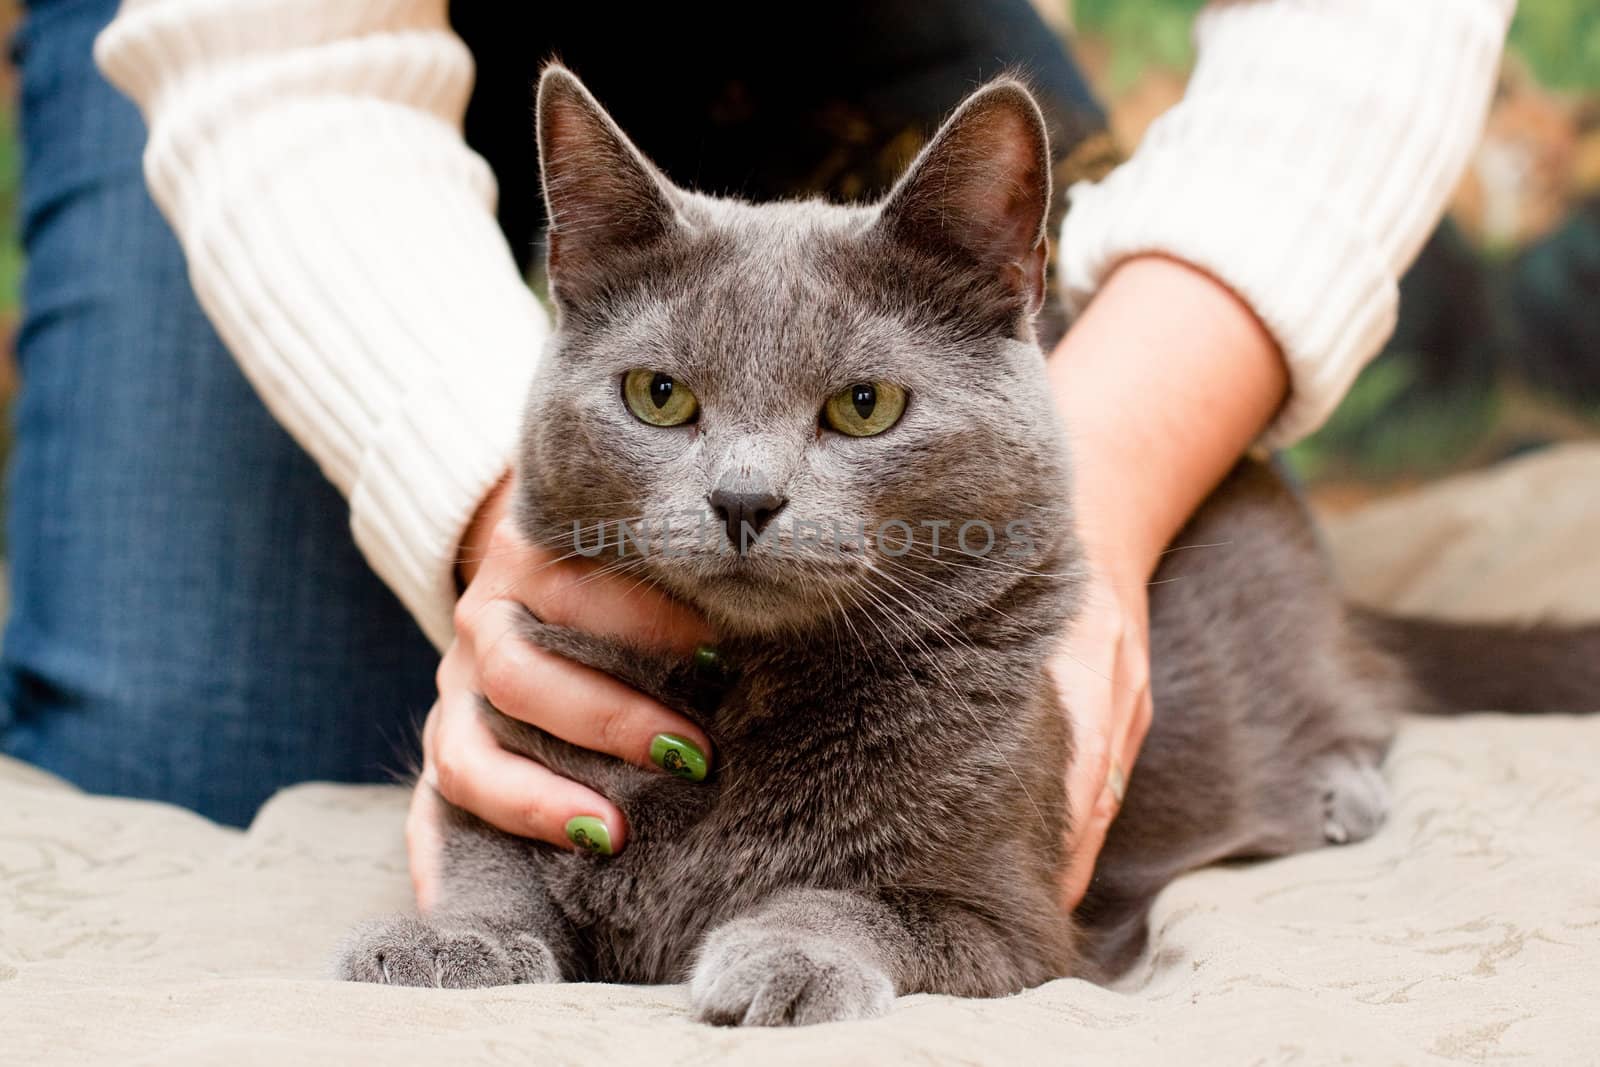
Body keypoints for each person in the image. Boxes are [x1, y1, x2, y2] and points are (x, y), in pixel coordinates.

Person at [2, 0, 1513, 915]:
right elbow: (281, 71)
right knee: (184, 761)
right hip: (316, 53)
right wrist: (500, 519)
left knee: (1180, 658)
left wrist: (1098, 501)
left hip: (851, 20)